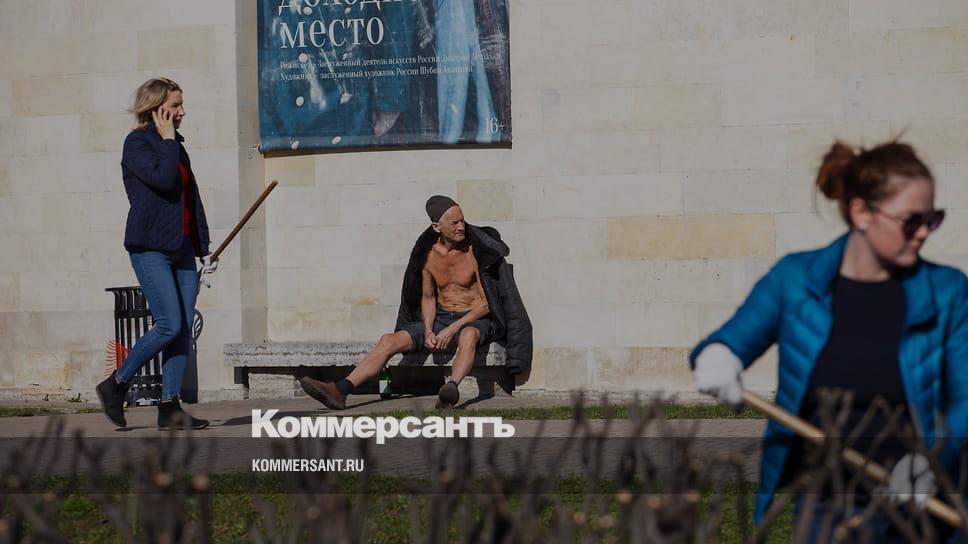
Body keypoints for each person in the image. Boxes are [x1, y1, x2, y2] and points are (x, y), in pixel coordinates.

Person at [689, 140, 967, 541]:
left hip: (920, 503)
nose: (923, 232)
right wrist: (719, 356)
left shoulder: (948, 291)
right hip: (824, 505)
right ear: (861, 213)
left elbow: (965, 399)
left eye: (932, 219)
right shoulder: (794, 280)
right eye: (911, 221)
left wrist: (931, 462)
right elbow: (731, 341)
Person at [299, 195, 532, 409]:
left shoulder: (474, 252)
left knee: (468, 335)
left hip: (474, 318)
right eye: (454, 223)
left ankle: (450, 390)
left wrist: (452, 329)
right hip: (441, 318)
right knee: (388, 340)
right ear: (436, 227)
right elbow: (428, 298)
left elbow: (486, 304)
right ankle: (340, 390)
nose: (461, 227)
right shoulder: (428, 255)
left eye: (462, 221)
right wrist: (429, 330)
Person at [95, 78, 218, 431]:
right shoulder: (138, 144)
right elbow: (163, 180)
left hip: (183, 249)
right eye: (175, 105)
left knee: (182, 331)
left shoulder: (174, 146)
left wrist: (203, 248)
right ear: (156, 108)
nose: (182, 112)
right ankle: (116, 382)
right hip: (150, 248)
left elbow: (191, 201)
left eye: (181, 105)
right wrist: (166, 139)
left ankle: (170, 406)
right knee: (169, 324)